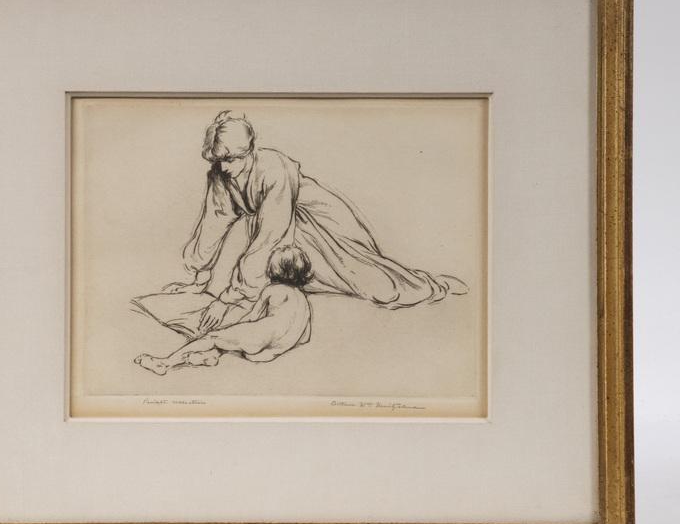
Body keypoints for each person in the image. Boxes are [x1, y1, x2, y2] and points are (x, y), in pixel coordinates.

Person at [160, 110, 467, 332]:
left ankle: (433, 286)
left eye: (231, 160)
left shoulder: (275, 168)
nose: (225, 168)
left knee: (372, 283)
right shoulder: (220, 175)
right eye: (219, 161)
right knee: (301, 274)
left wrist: (232, 295)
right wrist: (198, 275)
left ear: (249, 152)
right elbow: (215, 221)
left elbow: (272, 235)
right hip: (285, 230)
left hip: (322, 224)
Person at [135, 245, 313, 375]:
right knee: (233, 339)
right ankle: (209, 356)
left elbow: (252, 317)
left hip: (259, 339)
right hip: (276, 350)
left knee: (215, 337)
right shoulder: (302, 299)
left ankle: (165, 363)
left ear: (274, 269)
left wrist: (231, 328)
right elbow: (305, 336)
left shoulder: (272, 290)